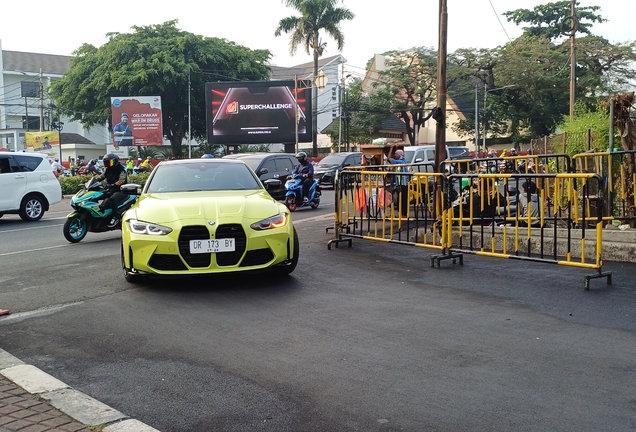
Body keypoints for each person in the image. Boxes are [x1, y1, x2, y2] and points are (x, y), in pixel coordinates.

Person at [95, 153, 128, 227]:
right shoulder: (108, 170)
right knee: (97, 196)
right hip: (111, 190)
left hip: (121, 190)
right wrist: (92, 181)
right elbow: (101, 177)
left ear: (115, 162)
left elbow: (121, 180)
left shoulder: (121, 170)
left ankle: (115, 217)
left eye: (109, 162)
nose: (107, 164)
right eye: (106, 162)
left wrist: (113, 185)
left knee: (112, 199)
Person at [387, 145, 410, 217]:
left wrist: (391, 148)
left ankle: (403, 214)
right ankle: (403, 214)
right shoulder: (403, 160)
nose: (395, 155)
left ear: (399, 155)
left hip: (402, 183)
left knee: (402, 199)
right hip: (403, 183)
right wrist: (396, 148)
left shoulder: (398, 162)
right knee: (401, 198)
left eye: (396, 154)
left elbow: (388, 159)